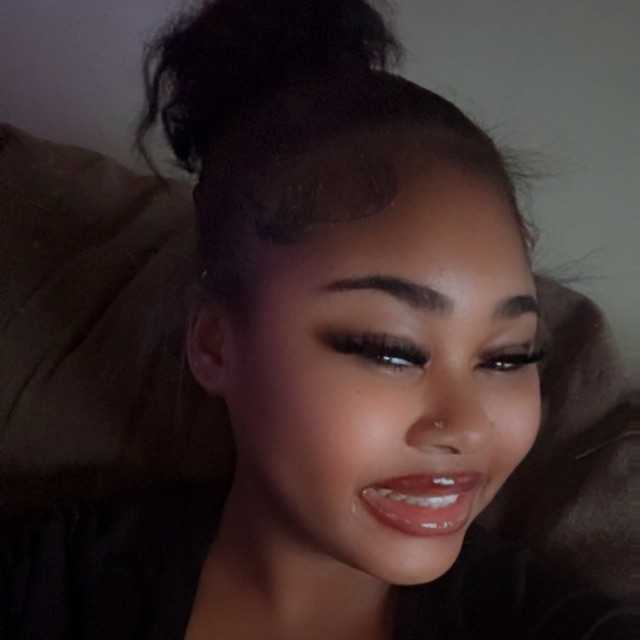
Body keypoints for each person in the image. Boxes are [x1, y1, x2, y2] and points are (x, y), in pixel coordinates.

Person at [0, 1, 637, 639]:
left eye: (508, 357)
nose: (469, 426)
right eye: (390, 349)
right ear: (215, 345)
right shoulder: (47, 585)